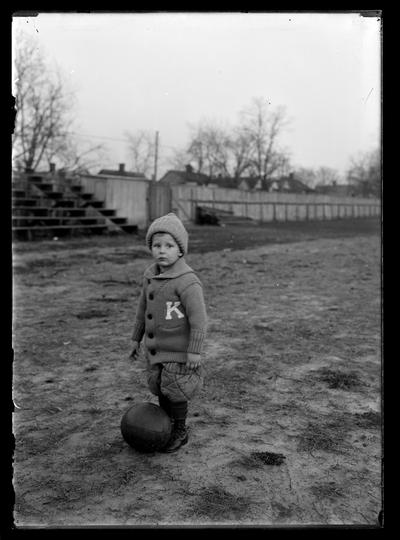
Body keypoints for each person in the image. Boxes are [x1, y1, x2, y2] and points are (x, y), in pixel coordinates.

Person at [129, 213, 208, 452]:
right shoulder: (150, 276)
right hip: (157, 349)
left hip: (179, 350)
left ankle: (180, 429)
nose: (162, 251)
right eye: (156, 245)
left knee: (176, 389)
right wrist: (136, 338)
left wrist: (194, 351)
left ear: (180, 250)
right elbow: (143, 309)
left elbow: (199, 320)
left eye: (169, 246)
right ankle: (164, 424)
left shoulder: (187, 282)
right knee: (162, 386)